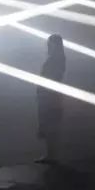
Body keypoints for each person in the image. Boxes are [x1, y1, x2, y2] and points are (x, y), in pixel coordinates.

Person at [35, 34, 66, 163]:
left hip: (50, 97)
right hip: (50, 96)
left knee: (50, 125)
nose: (48, 45)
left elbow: (51, 77)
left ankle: (51, 155)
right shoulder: (58, 59)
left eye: (50, 43)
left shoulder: (54, 60)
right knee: (50, 125)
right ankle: (51, 154)